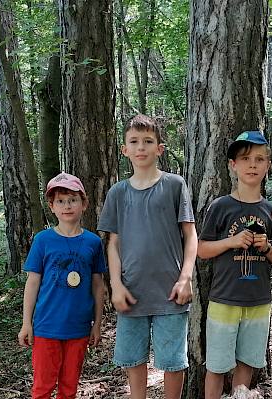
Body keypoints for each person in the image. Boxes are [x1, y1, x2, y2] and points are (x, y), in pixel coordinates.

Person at [97, 114, 197, 399]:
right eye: (134, 142)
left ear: (159, 149)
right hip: (131, 292)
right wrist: (115, 285)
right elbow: (113, 244)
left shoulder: (175, 185)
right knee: (133, 359)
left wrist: (185, 278)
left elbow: (190, 235)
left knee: (173, 361)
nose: (141, 147)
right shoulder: (118, 193)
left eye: (148, 141)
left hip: (171, 292)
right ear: (124, 149)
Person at [198, 131, 272, 399]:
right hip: (224, 300)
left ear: (267, 166)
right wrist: (231, 241)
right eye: (245, 158)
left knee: (247, 362)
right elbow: (201, 250)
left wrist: (267, 247)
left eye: (259, 159)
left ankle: (240, 396)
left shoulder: (271, 211)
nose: (252, 165)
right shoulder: (220, 206)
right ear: (232, 165)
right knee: (216, 366)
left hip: (258, 301)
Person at [18, 172, 107, 399]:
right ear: (52, 206)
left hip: (78, 327)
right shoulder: (43, 240)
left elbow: (98, 285)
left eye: (72, 200)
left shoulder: (93, 242)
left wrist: (97, 323)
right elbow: (33, 282)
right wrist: (26, 323)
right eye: (60, 201)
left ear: (83, 204)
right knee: (42, 388)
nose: (67, 206)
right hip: (47, 326)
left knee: (69, 388)